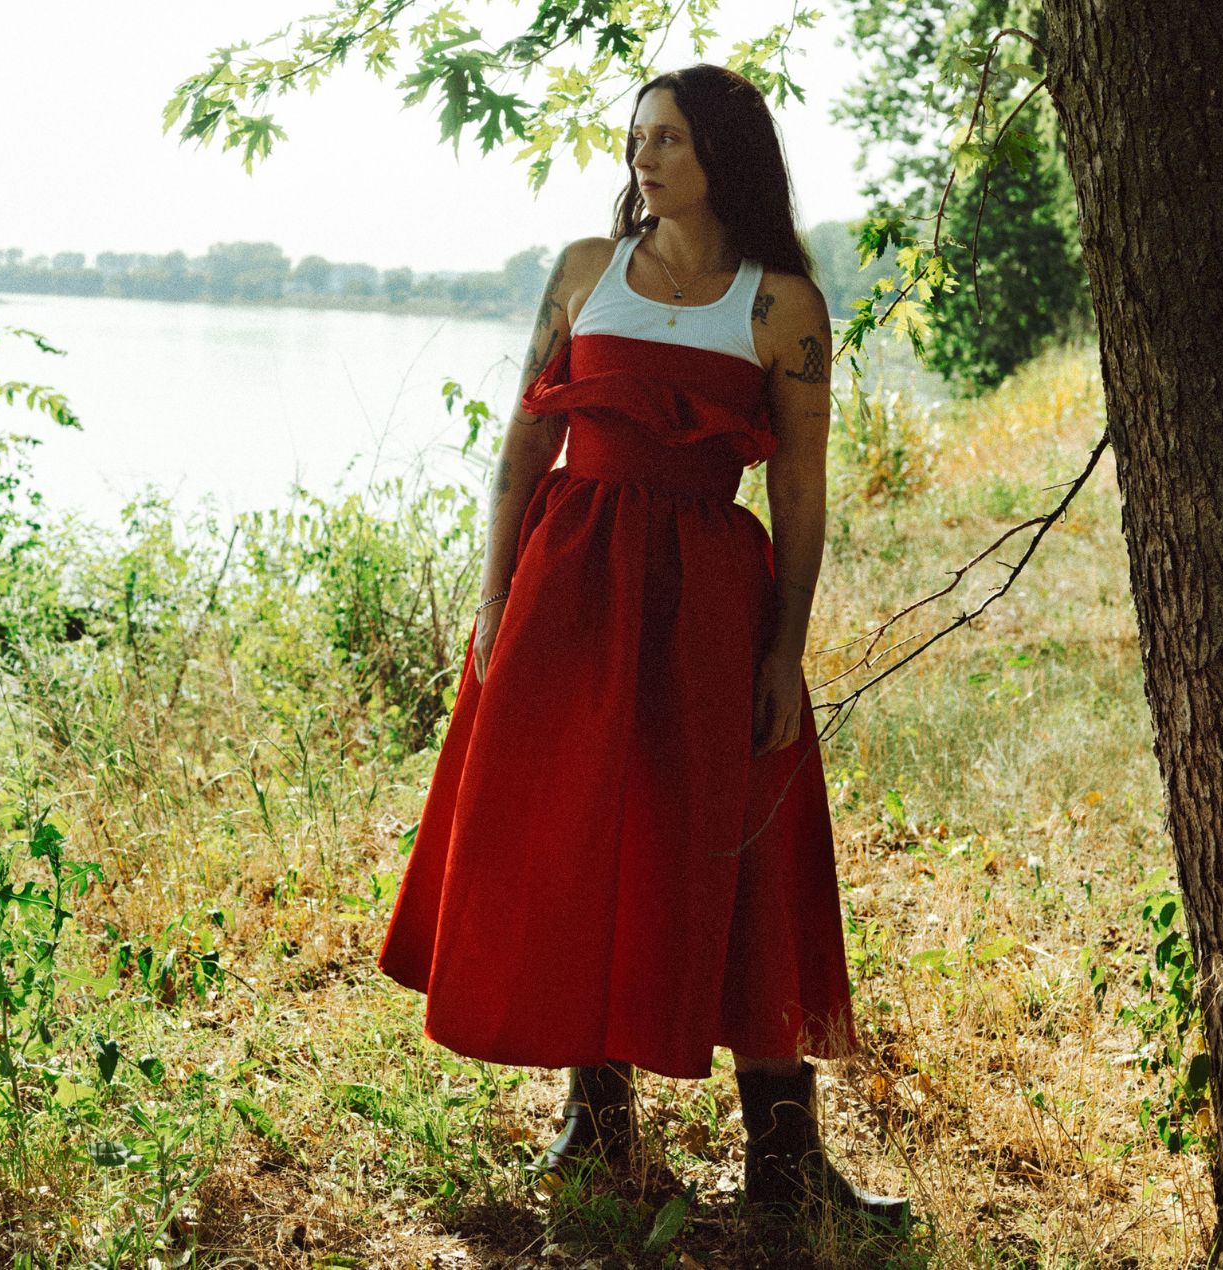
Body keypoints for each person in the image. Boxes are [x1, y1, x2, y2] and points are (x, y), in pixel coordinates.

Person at [376, 62, 908, 1232]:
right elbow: (521, 454)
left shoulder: (780, 306)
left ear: (723, 153)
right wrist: (492, 595)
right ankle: (594, 1125)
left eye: (665, 137)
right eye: (636, 138)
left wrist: (784, 652)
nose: (641, 156)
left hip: (712, 605)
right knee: (581, 836)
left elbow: (803, 498)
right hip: (573, 590)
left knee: (734, 845)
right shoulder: (581, 272)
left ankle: (784, 1159)